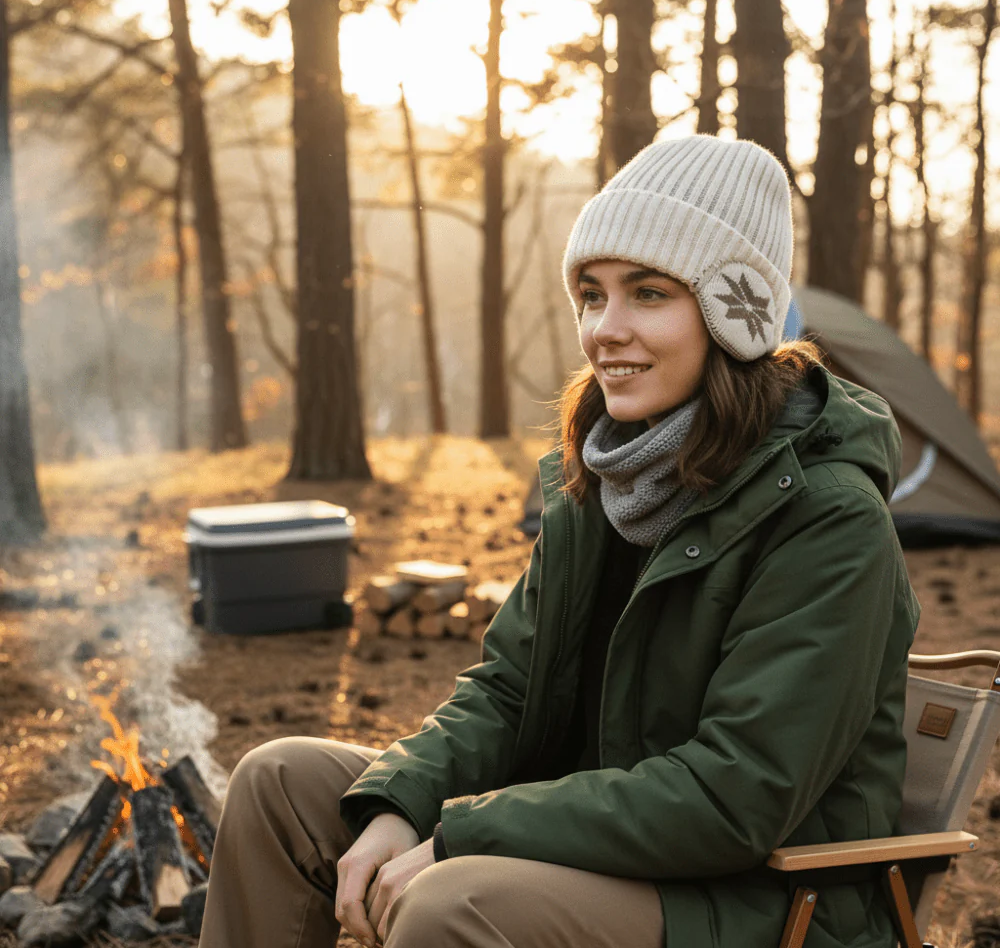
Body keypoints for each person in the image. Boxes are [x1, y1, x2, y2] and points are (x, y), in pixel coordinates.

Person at [198, 135, 919, 948]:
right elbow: (509, 691)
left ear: (735, 315)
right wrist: (400, 803)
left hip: (761, 897)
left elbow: (732, 799)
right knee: (278, 783)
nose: (604, 330)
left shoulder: (827, 519)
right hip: (605, 845)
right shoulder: (604, 482)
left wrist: (465, 833)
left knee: (449, 905)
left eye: (647, 294)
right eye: (589, 294)